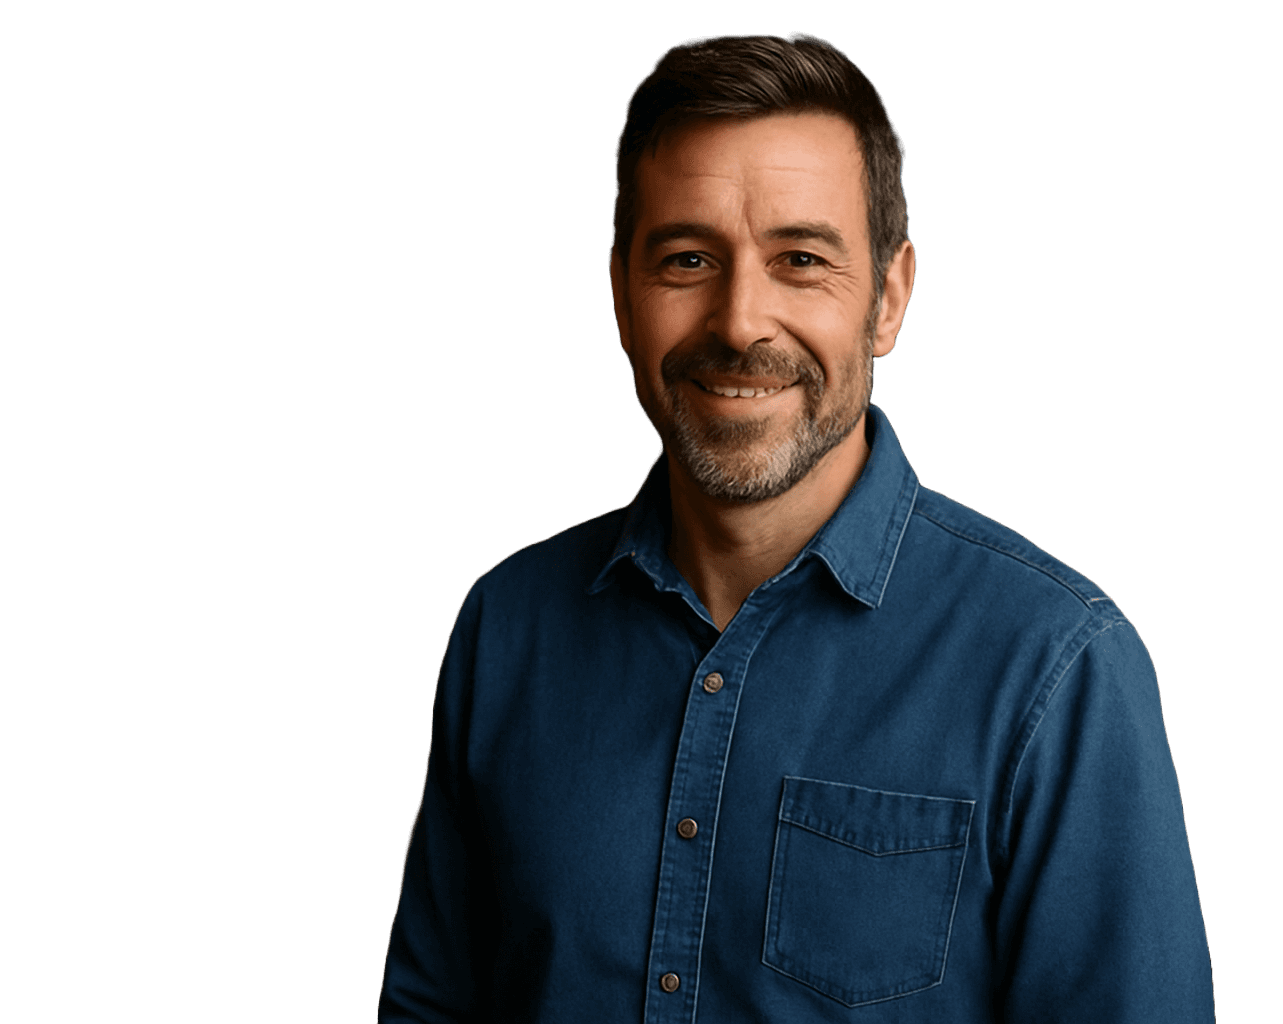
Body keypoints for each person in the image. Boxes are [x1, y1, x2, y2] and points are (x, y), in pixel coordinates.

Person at [378, 32, 1211, 1023]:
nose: (740, 321)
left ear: (889, 297)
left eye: (801, 260)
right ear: (621, 295)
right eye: (687, 259)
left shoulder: (1056, 666)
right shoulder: (508, 626)